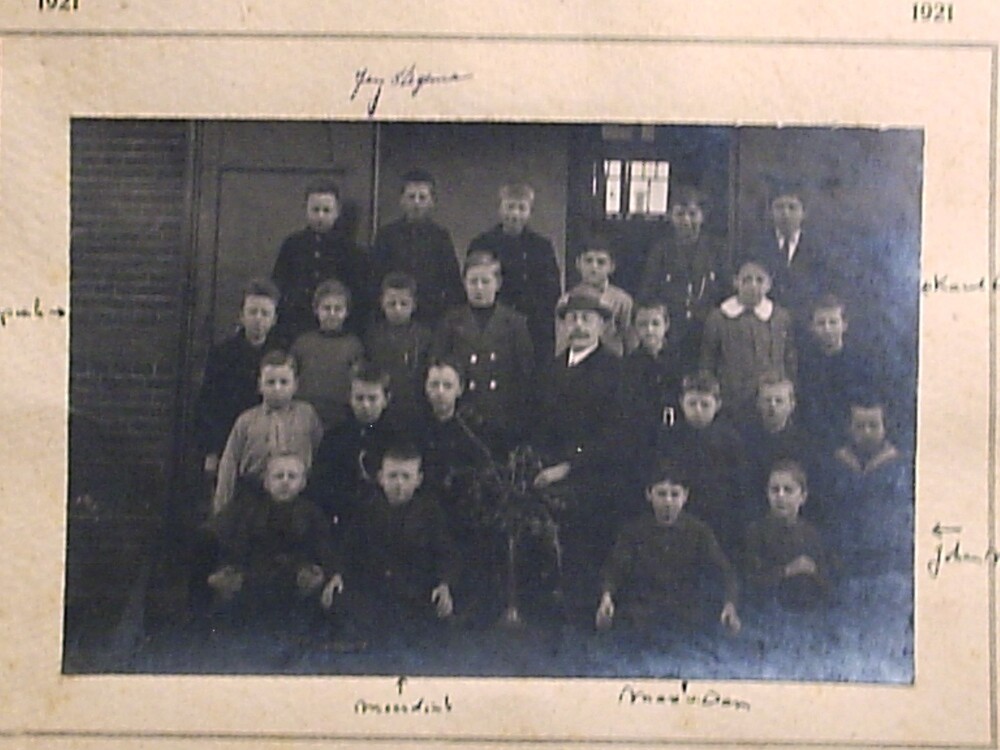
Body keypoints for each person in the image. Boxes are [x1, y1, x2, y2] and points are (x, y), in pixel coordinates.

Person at [532, 287, 625, 622]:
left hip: (594, 478)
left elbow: (615, 434)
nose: (579, 326)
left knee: (586, 551)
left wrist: (569, 465)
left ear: (601, 326)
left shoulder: (615, 370)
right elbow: (541, 426)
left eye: (587, 319)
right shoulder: (552, 368)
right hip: (550, 477)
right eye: (572, 319)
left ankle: (587, 615)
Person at [596, 459, 741, 639]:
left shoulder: (699, 531)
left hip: (686, 617)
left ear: (685, 496)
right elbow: (614, 570)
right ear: (649, 494)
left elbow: (725, 572)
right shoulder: (633, 532)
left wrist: (730, 604)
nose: (668, 502)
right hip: (643, 616)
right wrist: (607, 597)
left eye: (675, 494)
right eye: (661, 494)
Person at [338, 443, 460, 646]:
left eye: (406, 477)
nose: (399, 484)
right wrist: (338, 574)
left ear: (418, 480)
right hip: (376, 593)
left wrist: (444, 584)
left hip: (414, 592)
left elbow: (446, 552)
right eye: (392, 476)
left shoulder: (429, 512)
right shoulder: (366, 509)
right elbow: (349, 548)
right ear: (380, 478)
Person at [207, 452, 343, 631]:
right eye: (279, 476)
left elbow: (325, 547)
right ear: (266, 482)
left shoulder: (311, 513)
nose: (285, 482)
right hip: (252, 579)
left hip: (296, 582)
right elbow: (221, 538)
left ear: (303, 483)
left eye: (292, 476)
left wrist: (332, 573)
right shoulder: (247, 509)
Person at [431, 250, 534, 453]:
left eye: (485, 281)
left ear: (498, 283)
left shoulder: (515, 323)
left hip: (501, 418)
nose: (479, 288)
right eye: (473, 281)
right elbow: (438, 365)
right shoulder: (451, 321)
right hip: (462, 419)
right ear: (464, 283)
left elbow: (525, 375)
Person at [211, 350, 324, 516]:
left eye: (284, 382)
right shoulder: (246, 421)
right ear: (260, 385)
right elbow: (229, 464)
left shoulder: (307, 416)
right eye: (270, 382)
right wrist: (222, 509)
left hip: (298, 500)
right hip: (254, 501)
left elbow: (321, 455)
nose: (277, 388)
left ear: (295, 385)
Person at [195, 277, 281, 484]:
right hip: (230, 443)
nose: (258, 319)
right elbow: (208, 404)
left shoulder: (280, 356)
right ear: (241, 316)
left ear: (274, 319)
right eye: (253, 312)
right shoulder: (223, 355)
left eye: (265, 313)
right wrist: (212, 451)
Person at [658, 371, 749, 557]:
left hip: (720, 518)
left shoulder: (730, 442)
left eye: (705, 404)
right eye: (692, 403)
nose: (698, 410)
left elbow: (739, 487)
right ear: (681, 402)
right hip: (682, 517)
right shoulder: (670, 439)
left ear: (718, 405)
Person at [468, 183, 562, 362]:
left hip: (533, 325)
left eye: (521, 208)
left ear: (530, 212)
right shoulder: (483, 243)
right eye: (510, 207)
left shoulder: (542, 247)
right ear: (500, 209)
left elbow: (552, 290)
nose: (515, 214)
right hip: (494, 322)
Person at [637, 186, 728, 367]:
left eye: (692, 214)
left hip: (708, 333)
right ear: (670, 217)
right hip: (671, 334)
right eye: (680, 214)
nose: (686, 220)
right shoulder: (660, 251)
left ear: (702, 216)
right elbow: (648, 292)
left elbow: (725, 292)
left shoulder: (717, 250)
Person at [309, 364, 403, 536]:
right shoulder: (334, 438)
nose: (365, 405)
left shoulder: (397, 439)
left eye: (372, 399)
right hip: (345, 523)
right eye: (359, 398)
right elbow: (321, 486)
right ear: (350, 398)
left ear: (386, 399)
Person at [271, 181, 369, 343]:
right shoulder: (292, 245)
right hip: (297, 328)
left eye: (326, 210)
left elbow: (359, 296)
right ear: (306, 210)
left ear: (337, 212)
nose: (320, 216)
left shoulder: (351, 251)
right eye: (315, 210)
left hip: (338, 332)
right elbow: (279, 285)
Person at [701, 259, 796, 425]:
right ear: (735, 282)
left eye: (759, 280)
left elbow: (789, 360)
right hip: (731, 402)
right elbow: (708, 361)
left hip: (770, 403)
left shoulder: (780, 318)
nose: (753, 285)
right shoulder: (718, 318)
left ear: (768, 284)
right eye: (746, 280)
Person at [370, 168, 464, 324]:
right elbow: (375, 280)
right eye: (411, 197)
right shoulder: (386, 236)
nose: (416, 203)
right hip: (393, 317)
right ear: (401, 200)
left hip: (431, 318)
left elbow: (452, 282)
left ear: (432, 202)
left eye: (422, 197)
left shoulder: (440, 237)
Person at [744, 459, 831, 610]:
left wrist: (814, 572)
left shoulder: (810, 534)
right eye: (774, 490)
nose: (780, 496)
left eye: (788, 490)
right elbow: (750, 581)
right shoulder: (756, 532)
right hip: (767, 610)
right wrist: (788, 570)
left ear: (802, 497)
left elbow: (826, 583)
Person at [740, 374, 819, 520]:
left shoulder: (805, 444)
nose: (772, 406)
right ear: (758, 403)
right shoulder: (745, 440)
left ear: (791, 405)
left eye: (779, 401)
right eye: (767, 400)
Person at [797, 295, 870, 450]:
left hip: (851, 440)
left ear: (844, 325)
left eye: (833, 322)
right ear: (812, 327)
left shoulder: (859, 363)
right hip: (813, 438)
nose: (827, 329)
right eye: (821, 323)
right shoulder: (805, 364)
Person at [289, 279, 364, 429]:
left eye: (338, 309)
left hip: (341, 418)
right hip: (305, 418)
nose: (332, 314)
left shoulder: (354, 345)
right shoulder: (302, 343)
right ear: (316, 310)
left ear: (346, 312)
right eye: (326, 308)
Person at [363, 271, 433, 428]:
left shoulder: (424, 336)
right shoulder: (373, 335)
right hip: (381, 409)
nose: (397, 309)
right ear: (382, 303)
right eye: (391, 304)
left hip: (415, 407)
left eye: (404, 304)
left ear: (414, 305)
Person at [620, 300, 682, 458]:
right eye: (642, 324)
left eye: (655, 323)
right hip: (642, 436)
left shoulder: (680, 360)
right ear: (634, 327)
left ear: (666, 325)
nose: (649, 330)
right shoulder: (629, 365)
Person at [556, 235, 633, 357]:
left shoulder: (622, 301)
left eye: (601, 262)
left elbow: (630, 342)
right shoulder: (566, 301)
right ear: (578, 263)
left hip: (611, 362)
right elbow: (562, 343)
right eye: (588, 261)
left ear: (611, 267)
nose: (594, 267)